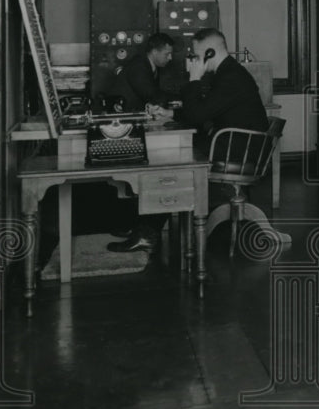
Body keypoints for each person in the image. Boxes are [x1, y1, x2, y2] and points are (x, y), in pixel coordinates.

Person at [108, 28, 269, 253]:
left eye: (195, 55)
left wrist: (194, 78)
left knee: (171, 157)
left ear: (209, 53)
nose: (193, 59)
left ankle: (147, 233)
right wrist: (170, 115)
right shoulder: (228, 73)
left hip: (238, 151)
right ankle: (145, 228)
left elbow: (197, 114)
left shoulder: (231, 77)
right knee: (173, 151)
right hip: (233, 143)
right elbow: (206, 109)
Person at [113, 32, 177, 111]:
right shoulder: (138, 66)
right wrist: (183, 98)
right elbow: (150, 94)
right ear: (154, 51)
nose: (170, 58)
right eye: (167, 54)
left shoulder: (149, 65)